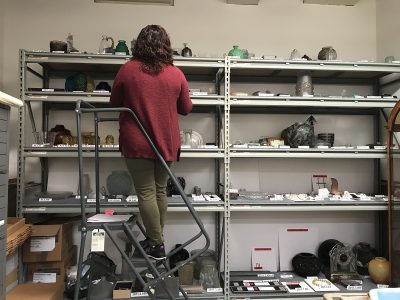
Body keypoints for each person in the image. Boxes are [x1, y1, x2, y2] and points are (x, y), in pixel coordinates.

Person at [110, 25, 193, 259]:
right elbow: (186, 108)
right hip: (166, 142)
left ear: (139, 44)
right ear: (165, 45)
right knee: (159, 192)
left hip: (137, 142)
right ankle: (155, 240)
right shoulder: (175, 73)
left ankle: (156, 243)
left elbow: (114, 102)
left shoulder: (127, 70)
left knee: (146, 192)